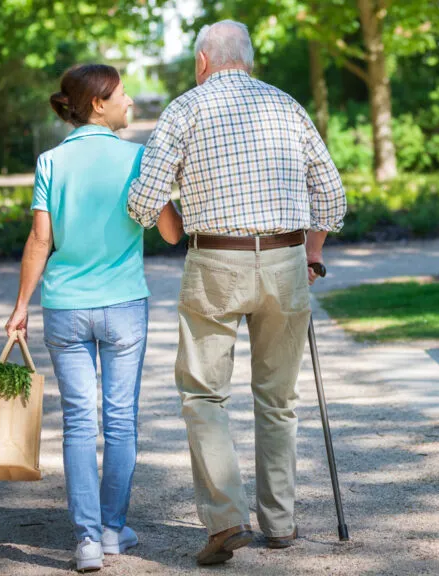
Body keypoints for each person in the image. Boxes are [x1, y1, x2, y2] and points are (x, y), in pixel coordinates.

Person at [127, 20, 347, 566]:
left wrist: (173, 213)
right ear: (247, 59)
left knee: (204, 395)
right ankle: (281, 522)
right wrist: (313, 249)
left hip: (216, 260)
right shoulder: (286, 105)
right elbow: (334, 197)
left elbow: (142, 202)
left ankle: (226, 520)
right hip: (285, 259)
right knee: (278, 397)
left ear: (203, 60)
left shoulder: (184, 108)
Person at [4, 64, 183, 572]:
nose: (131, 102)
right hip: (124, 305)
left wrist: (20, 306)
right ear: (98, 104)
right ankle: (111, 530)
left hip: (64, 307)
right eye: (123, 93)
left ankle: (85, 540)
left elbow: (41, 240)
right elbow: (171, 233)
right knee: (120, 419)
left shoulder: (51, 161)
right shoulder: (139, 158)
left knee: (80, 422)